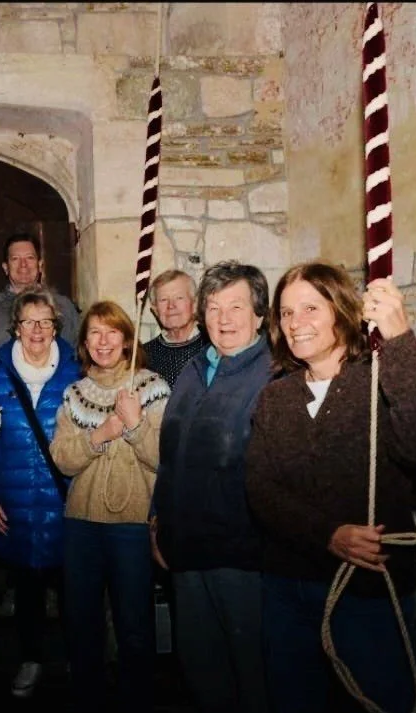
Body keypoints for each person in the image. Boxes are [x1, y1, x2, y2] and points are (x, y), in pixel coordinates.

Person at [245, 262, 416, 713]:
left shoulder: (379, 382)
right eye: (286, 313)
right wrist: (328, 535)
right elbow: (261, 490)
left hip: (368, 591)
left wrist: (399, 339)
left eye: (310, 307)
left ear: (342, 311)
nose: (295, 323)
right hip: (287, 586)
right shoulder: (276, 397)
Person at [151, 260, 274, 713]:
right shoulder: (194, 369)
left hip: (240, 556)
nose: (223, 319)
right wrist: (157, 521)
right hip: (186, 549)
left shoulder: (271, 377)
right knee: (201, 667)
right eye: (214, 307)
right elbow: (172, 456)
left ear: (259, 315)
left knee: (252, 673)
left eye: (236, 306)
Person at [49, 300, 170, 713]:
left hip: (133, 525)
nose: (103, 341)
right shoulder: (74, 392)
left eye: (111, 332)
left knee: (134, 625)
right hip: (81, 524)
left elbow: (163, 458)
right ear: (84, 343)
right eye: (94, 333)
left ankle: (138, 699)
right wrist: (102, 432)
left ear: (126, 339)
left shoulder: (152, 386)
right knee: (82, 623)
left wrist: (134, 426)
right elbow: (62, 457)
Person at [0, 286, 81, 699]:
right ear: (16, 329)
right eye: (28, 322)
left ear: (57, 327)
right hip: (14, 501)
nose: (37, 330)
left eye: (45, 321)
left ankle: (78, 659)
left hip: (65, 501)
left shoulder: (76, 374)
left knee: (74, 592)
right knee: (28, 593)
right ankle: (31, 660)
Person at [0, 232, 80, 367]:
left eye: (30, 258)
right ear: (5, 267)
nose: (23, 265)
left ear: (40, 265)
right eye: (15, 259)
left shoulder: (64, 307)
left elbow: (80, 355)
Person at [143, 269, 209, 387]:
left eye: (179, 298)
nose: (171, 306)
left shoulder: (214, 346)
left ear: (194, 304)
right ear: (155, 310)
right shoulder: (144, 355)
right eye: (163, 300)